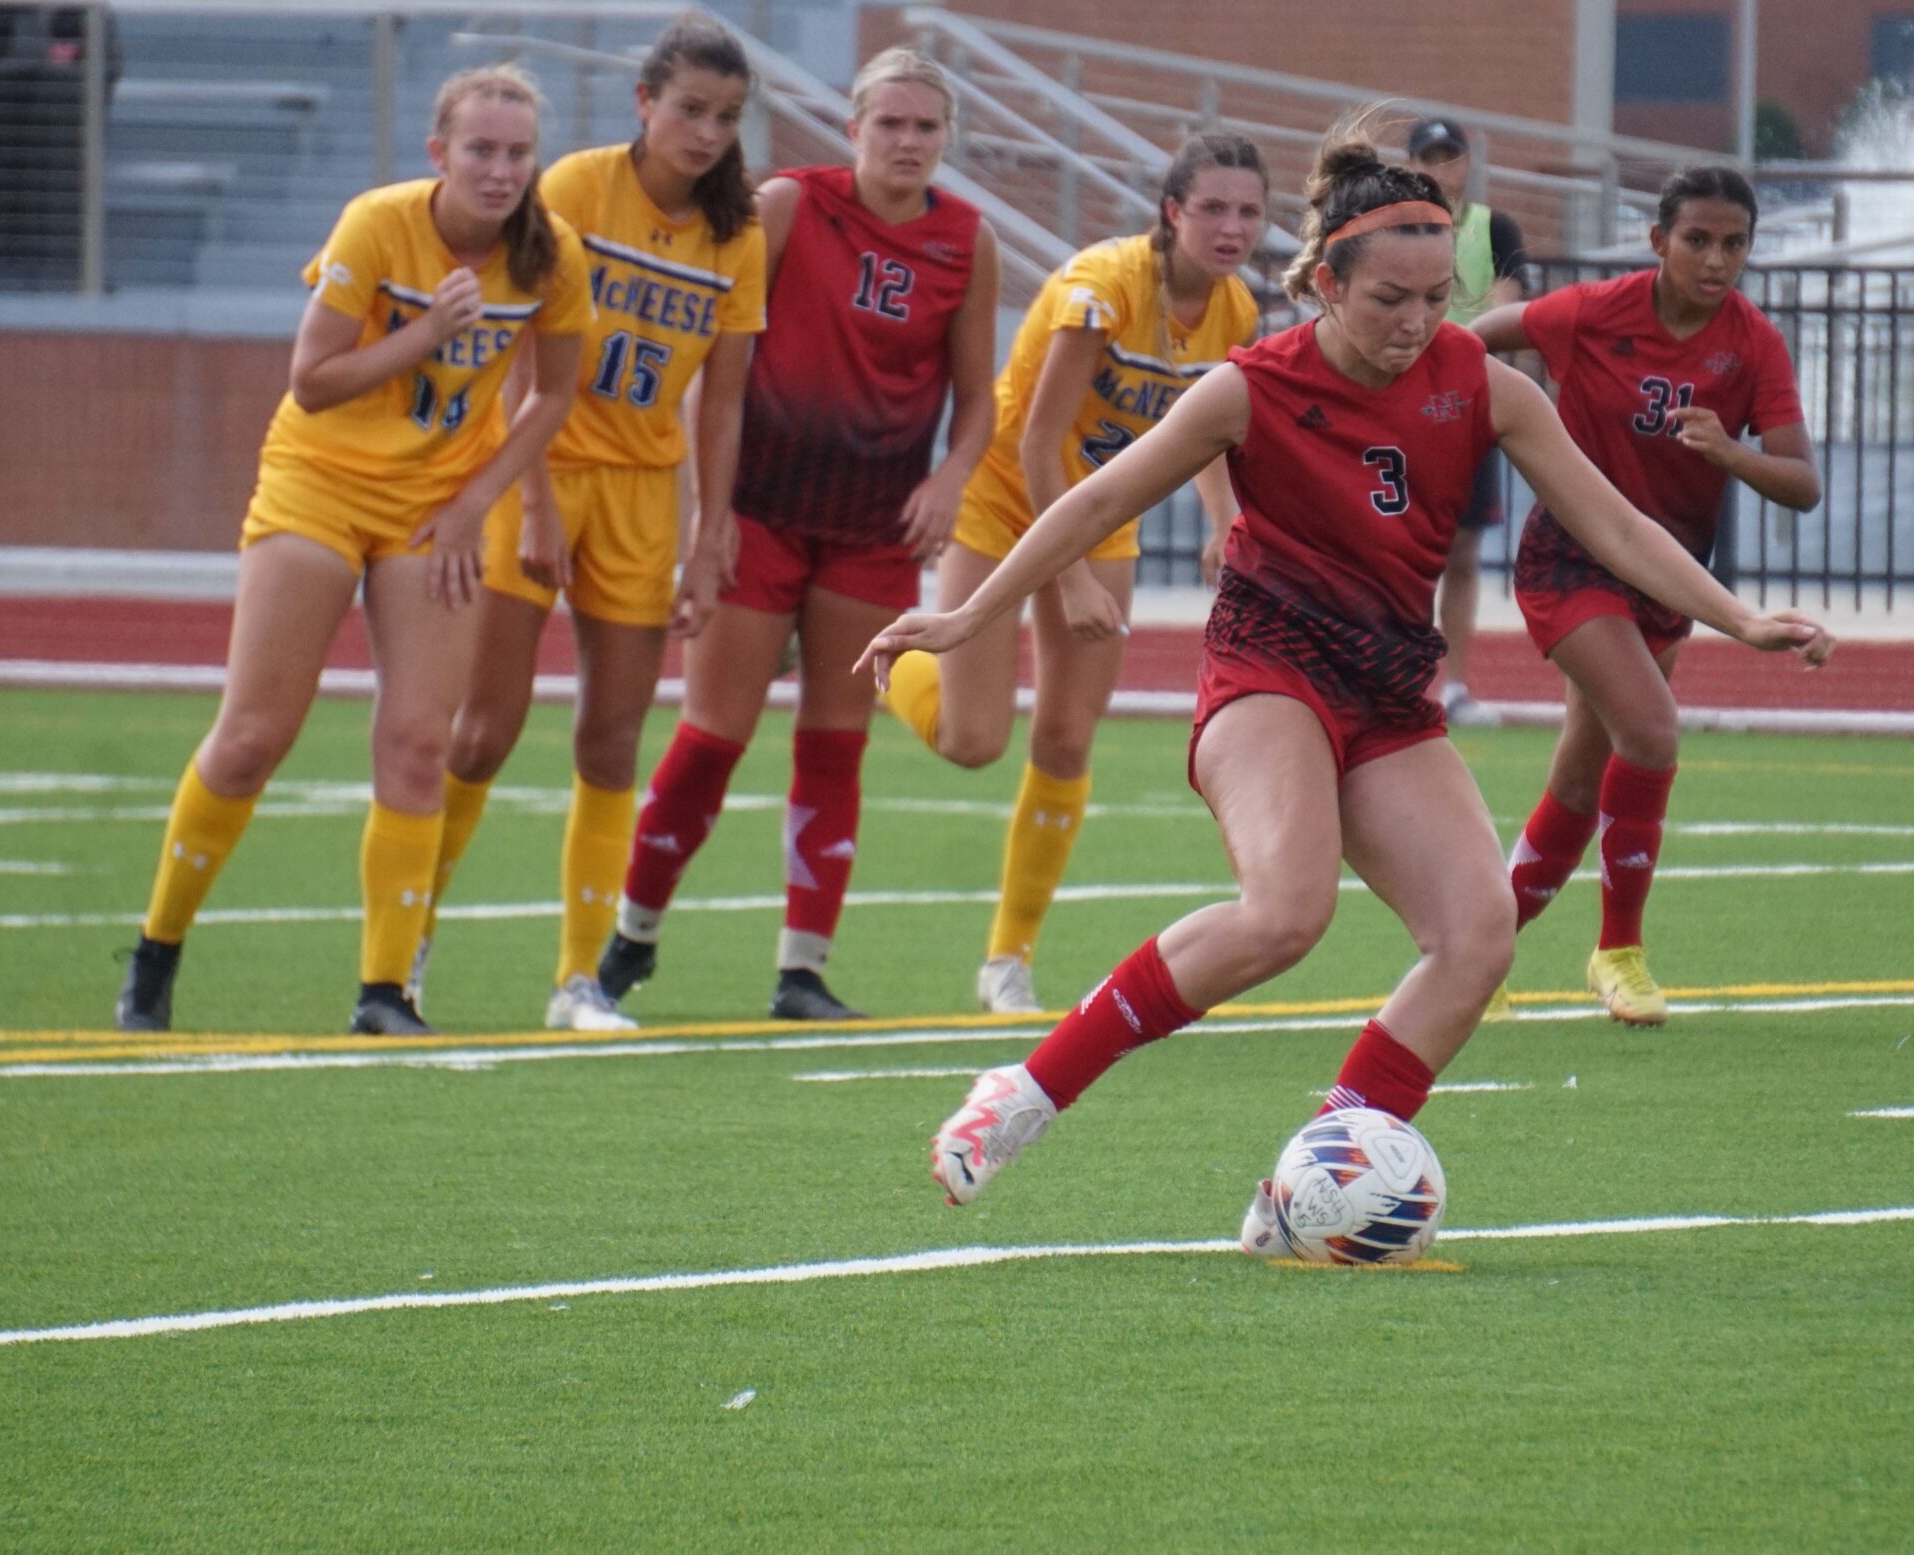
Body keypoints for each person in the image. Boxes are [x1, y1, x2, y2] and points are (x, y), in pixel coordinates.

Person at [856, 120, 1833, 1224]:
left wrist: (1740, 618)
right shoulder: (1248, 386)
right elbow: (1094, 498)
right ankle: (1026, 1091)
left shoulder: (1482, 382)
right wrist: (967, 614)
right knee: (1285, 911)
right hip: (1268, 668)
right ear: (1325, 282)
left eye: (1434, 298)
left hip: (1388, 692)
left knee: (1477, 938)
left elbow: (1615, 523)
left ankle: (1309, 1179)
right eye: (1388, 300)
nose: (1417, 324)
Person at [113, 64, 588, 1037]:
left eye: (517, 154)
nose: (500, 171)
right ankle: (156, 951)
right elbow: (312, 381)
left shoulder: (551, 254)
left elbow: (553, 396)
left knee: (419, 744)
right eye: (480, 151)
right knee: (253, 737)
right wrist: (429, 332)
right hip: (319, 486)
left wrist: (479, 500)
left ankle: (384, 992)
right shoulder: (377, 223)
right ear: (439, 155)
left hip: (434, 507)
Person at [592, 47, 1000, 1021]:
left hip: (874, 528)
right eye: (889, 124)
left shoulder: (966, 240)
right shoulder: (787, 205)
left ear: (947, 140)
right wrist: (713, 514)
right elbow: (720, 373)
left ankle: (801, 971)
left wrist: (949, 478)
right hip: (762, 515)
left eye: (925, 128)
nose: (907, 142)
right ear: (853, 128)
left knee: (834, 744)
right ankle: (627, 939)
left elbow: (980, 398)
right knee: (710, 738)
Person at [414, 16, 766, 1032]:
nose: (706, 133)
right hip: (541, 468)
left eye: (727, 117)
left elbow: (727, 397)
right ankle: (409, 943)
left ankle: (579, 979)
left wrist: (710, 534)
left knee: (612, 740)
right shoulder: (572, 187)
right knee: (483, 732)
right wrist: (529, 499)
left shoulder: (734, 232)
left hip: (644, 493)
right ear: (645, 103)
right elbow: (526, 350)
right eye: (690, 109)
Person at [878, 133, 1267, 1016]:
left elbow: (1205, 423)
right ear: (1173, 212)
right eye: (1213, 208)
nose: (1232, 227)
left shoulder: (1235, 309)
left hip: (1101, 514)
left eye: (1248, 211)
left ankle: (1008, 960)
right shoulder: (1105, 286)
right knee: (973, 740)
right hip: (1009, 503)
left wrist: (1222, 521)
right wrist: (1065, 579)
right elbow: (1038, 436)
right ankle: (877, 663)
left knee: (1065, 738)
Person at [1470, 164, 1821, 1027]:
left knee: (1582, 777)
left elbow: (1802, 482)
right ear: (1658, 241)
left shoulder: (1753, 343)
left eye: (1734, 243)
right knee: (1653, 731)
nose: (1716, 259)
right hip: (1571, 557)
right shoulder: (1595, 311)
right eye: (1697, 239)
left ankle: (1475, 953)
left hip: (1667, 574)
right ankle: (1618, 950)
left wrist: (1729, 453)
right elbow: (1476, 337)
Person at [1405, 117, 1529, 727]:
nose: (1438, 168)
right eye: (1426, 158)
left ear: (1466, 163)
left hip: (1464, 404)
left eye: (1447, 157)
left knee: (1461, 551)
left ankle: (1453, 684)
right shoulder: (1393, 228)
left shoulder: (1491, 229)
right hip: (1400, 404)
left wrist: (1448, 350)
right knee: (1397, 549)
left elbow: (1506, 309)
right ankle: (1403, 678)